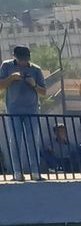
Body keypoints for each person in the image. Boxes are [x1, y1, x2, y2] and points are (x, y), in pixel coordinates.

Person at [1, 45, 48, 182]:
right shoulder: (6, 66)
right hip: (13, 110)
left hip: (32, 110)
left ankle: (35, 172)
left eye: (26, 59)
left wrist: (33, 84)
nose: (24, 62)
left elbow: (44, 92)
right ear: (15, 57)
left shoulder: (36, 69)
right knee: (15, 141)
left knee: (33, 140)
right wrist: (11, 78)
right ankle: (17, 173)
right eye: (21, 59)